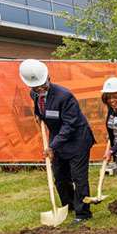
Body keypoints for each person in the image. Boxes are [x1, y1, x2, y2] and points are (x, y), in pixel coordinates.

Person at [19, 59, 94, 223]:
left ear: (49, 78)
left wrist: (52, 146)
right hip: (57, 137)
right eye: (36, 87)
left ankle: (83, 213)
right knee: (60, 176)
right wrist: (38, 114)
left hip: (77, 139)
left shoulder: (65, 96)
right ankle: (69, 205)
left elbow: (70, 125)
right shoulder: (34, 94)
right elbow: (40, 107)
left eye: (43, 85)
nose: (40, 89)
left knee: (78, 176)